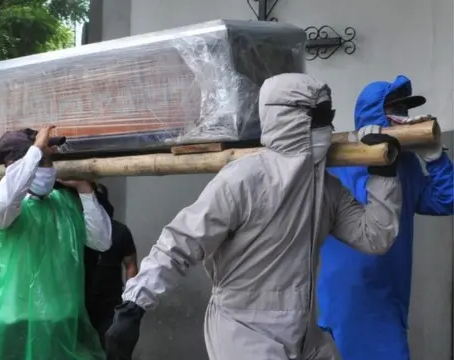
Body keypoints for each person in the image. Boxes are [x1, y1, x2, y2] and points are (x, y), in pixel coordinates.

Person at [105, 73, 405, 360]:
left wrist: (383, 175)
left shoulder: (326, 189)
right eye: (319, 116)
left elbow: (375, 237)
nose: (326, 126)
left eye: (330, 115)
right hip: (246, 333)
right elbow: (181, 242)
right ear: (288, 117)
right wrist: (134, 305)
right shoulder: (244, 179)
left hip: (305, 336)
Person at [317, 75, 454, 360]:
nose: (402, 117)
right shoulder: (341, 162)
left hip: (390, 295)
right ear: (374, 113)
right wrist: (368, 154)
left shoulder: (406, 165)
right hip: (354, 295)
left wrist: (436, 157)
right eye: (395, 110)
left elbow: (446, 200)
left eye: (405, 110)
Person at [0, 125, 112, 360]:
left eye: (49, 162)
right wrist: (35, 152)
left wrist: (85, 189)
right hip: (18, 328)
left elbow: (102, 241)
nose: (48, 168)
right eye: (42, 162)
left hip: (64, 325)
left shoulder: (63, 202)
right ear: (19, 167)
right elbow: (6, 201)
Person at [86, 183, 138, 348]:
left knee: (110, 343)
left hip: (111, 300)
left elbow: (130, 265)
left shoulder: (120, 231)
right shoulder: (79, 229)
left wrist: (130, 297)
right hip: (83, 298)